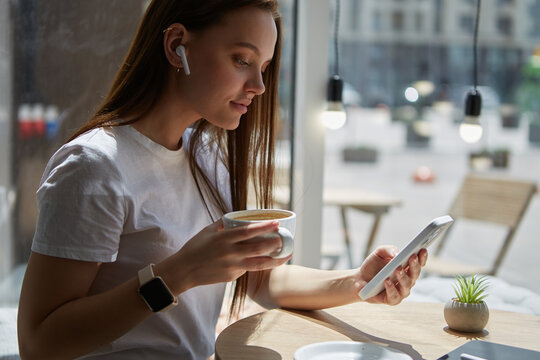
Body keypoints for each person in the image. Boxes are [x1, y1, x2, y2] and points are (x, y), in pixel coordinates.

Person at [17, 1, 428, 359]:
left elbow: (261, 279)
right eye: (242, 60)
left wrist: (358, 282)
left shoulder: (206, 154)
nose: (259, 86)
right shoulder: (95, 166)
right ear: (178, 45)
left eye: (264, 67)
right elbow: (39, 343)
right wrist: (180, 273)